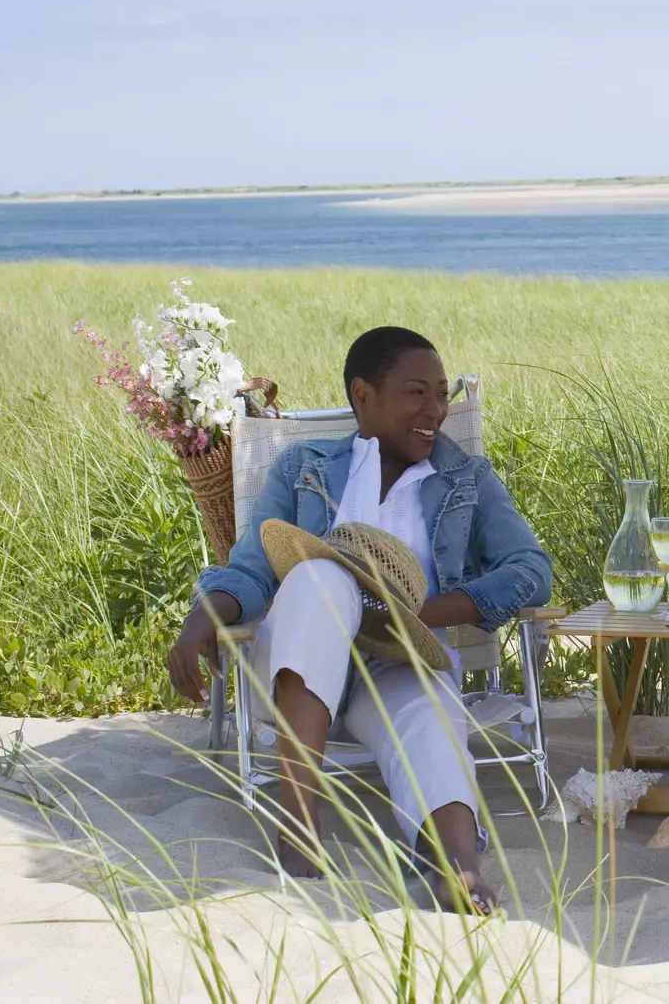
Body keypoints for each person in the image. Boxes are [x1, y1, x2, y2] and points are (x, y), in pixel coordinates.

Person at [165, 327, 551, 913]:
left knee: (429, 713)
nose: (435, 411)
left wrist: (416, 615)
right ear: (362, 394)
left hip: (397, 662)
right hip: (299, 657)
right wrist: (203, 616)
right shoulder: (305, 467)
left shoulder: (467, 479)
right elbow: (251, 569)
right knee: (323, 575)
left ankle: (457, 868)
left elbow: (530, 570)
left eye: (443, 395)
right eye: (416, 392)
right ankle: (299, 826)